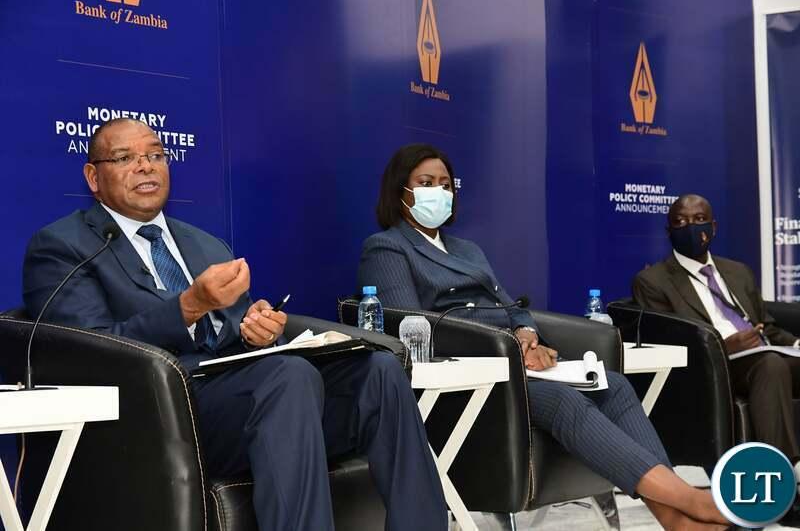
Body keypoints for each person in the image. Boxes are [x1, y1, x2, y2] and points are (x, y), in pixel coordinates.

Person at [22, 119, 447, 531]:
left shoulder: (205, 244)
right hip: (158, 413)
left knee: (379, 372)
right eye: (125, 158)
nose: (146, 166)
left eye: (155, 155)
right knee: (287, 377)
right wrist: (188, 307)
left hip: (250, 401)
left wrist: (257, 331)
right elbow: (89, 352)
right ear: (93, 177)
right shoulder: (64, 246)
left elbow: (236, 331)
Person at [357, 143, 730, 531]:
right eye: (426, 182)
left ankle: (674, 520)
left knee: (614, 386)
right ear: (401, 190)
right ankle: (689, 499)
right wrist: (510, 350)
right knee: (564, 399)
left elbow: (511, 307)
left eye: (446, 184)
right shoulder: (387, 247)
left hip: (515, 367)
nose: (439, 191)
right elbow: (413, 327)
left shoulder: (467, 250)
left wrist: (527, 335)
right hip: (468, 383)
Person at [633, 194, 800, 464]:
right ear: (669, 231)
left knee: (772, 361)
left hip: (762, 354)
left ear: (713, 227)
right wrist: (724, 347)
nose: (691, 227)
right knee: (770, 365)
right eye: (681, 221)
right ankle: (779, 471)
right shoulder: (653, 281)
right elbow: (669, 344)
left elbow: (766, 327)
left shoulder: (738, 272)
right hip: (713, 367)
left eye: (699, 219)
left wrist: (795, 344)